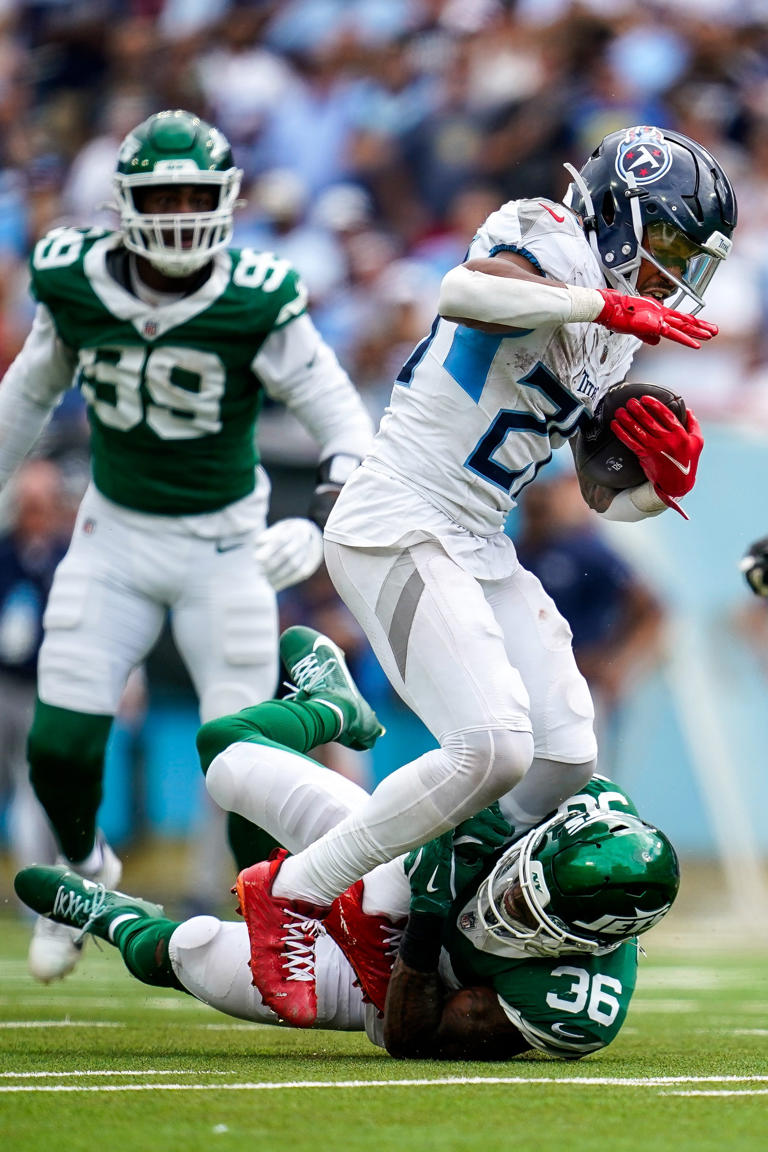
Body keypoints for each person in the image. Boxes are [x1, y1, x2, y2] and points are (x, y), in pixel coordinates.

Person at [232, 124, 736, 1027]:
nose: (670, 271)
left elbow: (592, 486)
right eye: (664, 243)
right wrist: (603, 307)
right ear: (620, 214)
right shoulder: (547, 232)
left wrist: (649, 481)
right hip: (401, 516)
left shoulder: (613, 334)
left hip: (476, 537)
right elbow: (465, 291)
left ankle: (431, 900)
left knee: (567, 756)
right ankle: (295, 890)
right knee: (494, 747)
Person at [0, 109, 374, 983]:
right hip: (114, 536)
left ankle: (272, 924)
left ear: (227, 201)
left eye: (192, 195)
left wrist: (323, 521)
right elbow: (24, 398)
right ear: (123, 204)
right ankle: (87, 875)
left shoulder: (255, 294)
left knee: (245, 765)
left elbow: (338, 415)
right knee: (56, 744)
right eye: (159, 195)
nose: (175, 213)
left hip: (224, 549)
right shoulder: (77, 280)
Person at [14, 626, 680, 1061]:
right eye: (520, 886)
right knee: (224, 756)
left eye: (533, 919)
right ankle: (332, 705)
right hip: (391, 866)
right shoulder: (564, 799)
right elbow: (466, 791)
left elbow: (412, 1039)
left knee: (191, 951)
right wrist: (425, 874)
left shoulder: (574, 1002)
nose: (507, 904)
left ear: (592, 942)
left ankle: (110, 916)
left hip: (389, 985)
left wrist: (428, 914)